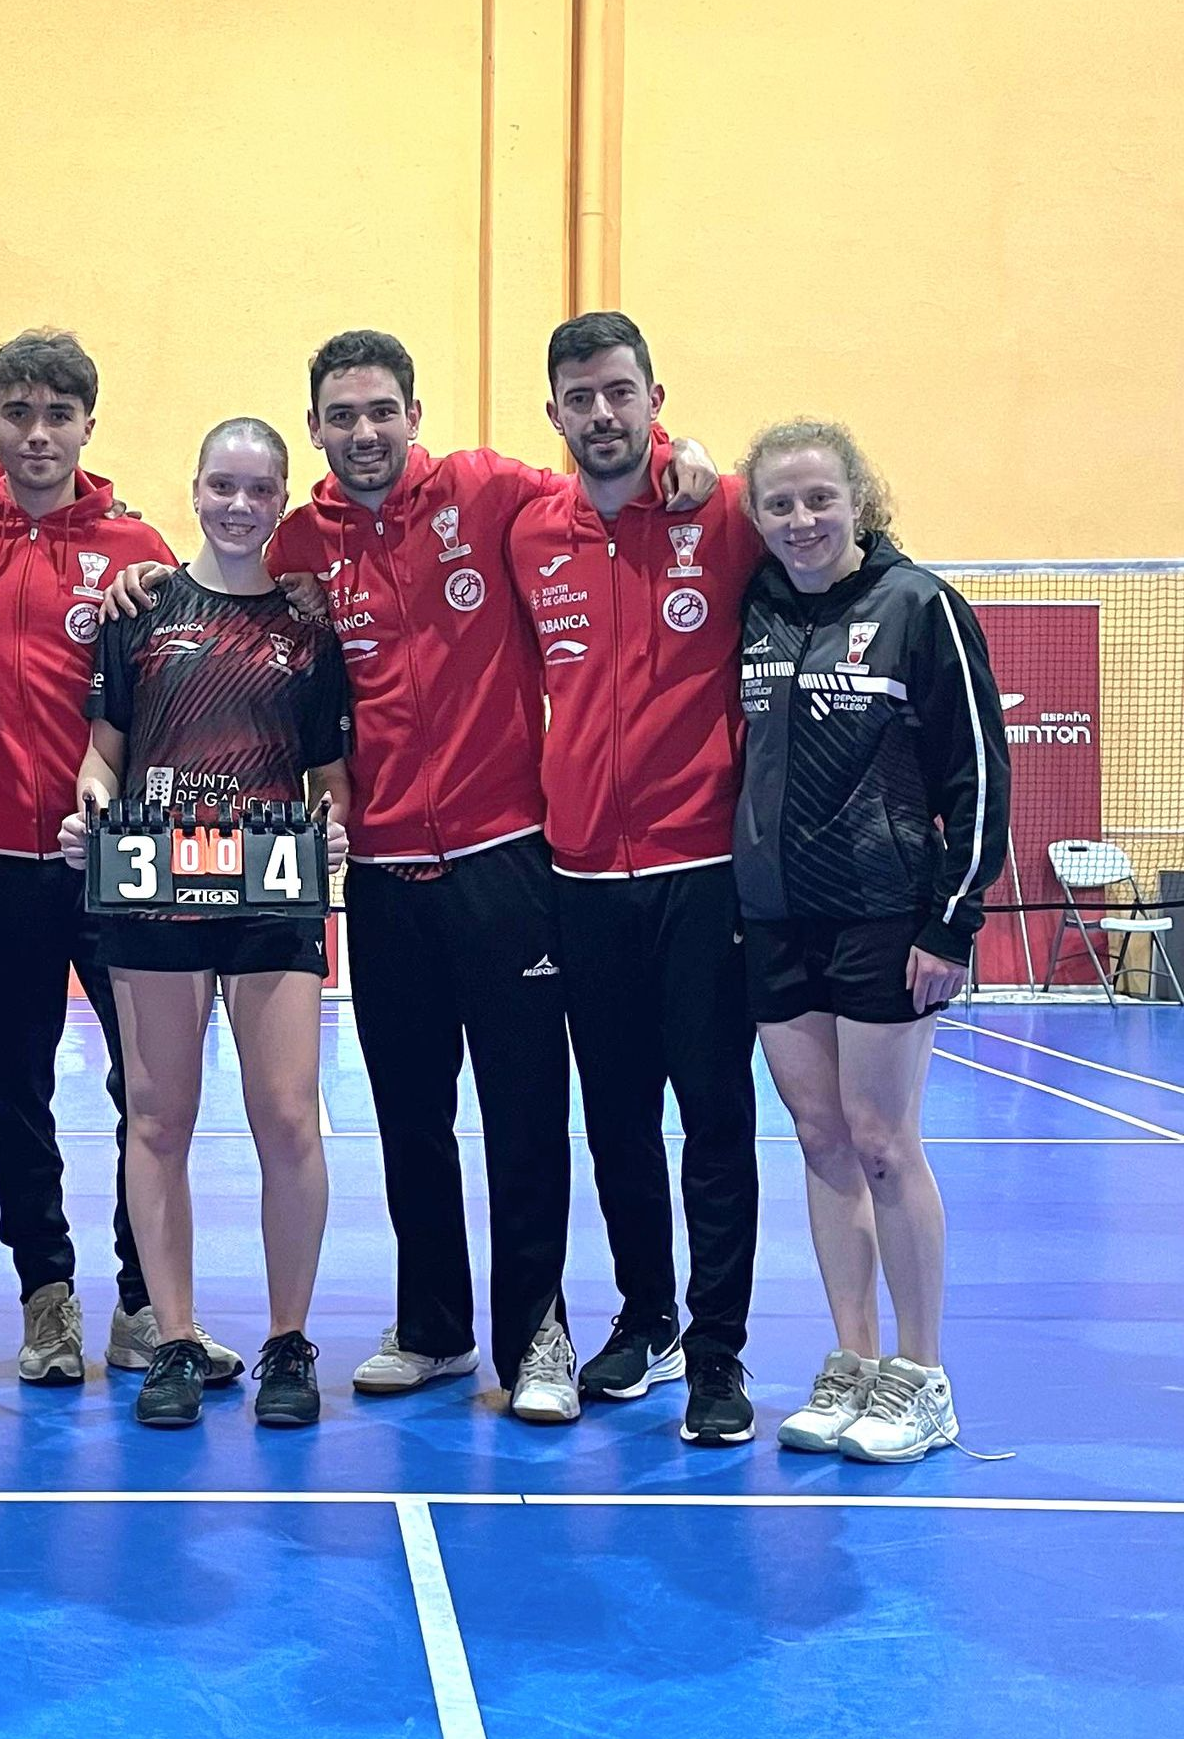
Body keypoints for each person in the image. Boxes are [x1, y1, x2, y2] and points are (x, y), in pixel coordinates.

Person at [108, 329, 717, 1418]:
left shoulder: (490, 490)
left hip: (506, 858)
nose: (364, 433)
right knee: (409, 1115)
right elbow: (220, 582)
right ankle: (434, 1326)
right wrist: (143, 577)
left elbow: (607, 473)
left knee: (525, 1111)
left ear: (414, 414)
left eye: (381, 411)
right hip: (381, 873)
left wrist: (679, 455)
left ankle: (535, 1336)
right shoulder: (302, 540)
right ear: (316, 430)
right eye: (342, 416)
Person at [0, 329, 242, 1389]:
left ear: (89, 424)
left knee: (148, 1085)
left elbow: (189, 676)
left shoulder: (136, 545)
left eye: (58, 414)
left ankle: (144, 1303)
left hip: (114, 861)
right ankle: (46, 1297)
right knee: (13, 1086)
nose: (38, 434)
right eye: (19, 413)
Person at [60, 418, 351, 1429]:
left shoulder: (309, 629)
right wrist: (90, 807)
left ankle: (288, 1341)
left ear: (282, 500)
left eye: (259, 489)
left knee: (287, 1118)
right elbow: (104, 756)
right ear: (194, 488)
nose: (239, 505)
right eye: (222, 485)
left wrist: (335, 826)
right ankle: (174, 1339)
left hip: (270, 887)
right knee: (157, 1117)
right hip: (155, 888)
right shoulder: (139, 610)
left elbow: (329, 776)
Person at [506, 312, 764, 1444]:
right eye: (580, 397)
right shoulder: (529, 532)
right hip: (580, 878)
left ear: (656, 398)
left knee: (713, 1118)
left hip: (703, 872)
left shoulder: (731, 510)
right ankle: (648, 1319)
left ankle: (717, 1353)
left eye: (620, 392)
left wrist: (699, 459)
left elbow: (847, 540)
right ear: (554, 413)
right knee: (615, 1120)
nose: (601, 413)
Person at [735, 420, 1010, 1463]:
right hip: (776, 916)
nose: (801, 520)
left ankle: (922, 1376)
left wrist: (952, 922)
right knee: (821, 1140)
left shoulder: (919, 607)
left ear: (859, 499)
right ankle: (851, 1362)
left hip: (884, 915)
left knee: (885, 1143)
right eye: (779, 504)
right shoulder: (756, 608)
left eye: (820, 499)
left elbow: (977, 774)